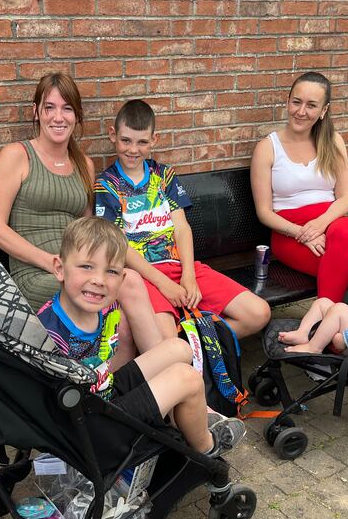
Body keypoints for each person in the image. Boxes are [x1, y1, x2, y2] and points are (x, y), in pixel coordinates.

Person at [0, 72, 161, 362]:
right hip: (35, 275)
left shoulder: (84, 164)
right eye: (49, 107)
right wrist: (49, 261)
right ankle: (165, 382)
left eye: (67, 108)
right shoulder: (17, 156)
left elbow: (89, 233)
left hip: (75, 270)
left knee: (124, 318)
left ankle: (120, 395)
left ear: (76, 116)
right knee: (128, 283)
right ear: (36, 112)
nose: (58, 117)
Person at [37, 216, 246, 456]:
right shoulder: (47, 333)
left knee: (178, 348)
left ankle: (182, 421)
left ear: (122, 278)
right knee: (185, 377)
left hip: (104, 393)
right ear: (59, 268)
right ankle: (207, 448)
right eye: (86, 266)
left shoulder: (105, 308)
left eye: (111, 271)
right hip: (90, 429)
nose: (98, 280)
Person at [95, 99, 271, 340]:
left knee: (258, 313)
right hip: (142, 276)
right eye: (126, 140)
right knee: (167, 341)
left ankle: (198, 349)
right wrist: (164, 284)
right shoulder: (107, 184)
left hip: (180, 267)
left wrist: (188, 275)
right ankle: (185, 353)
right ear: (112, 135)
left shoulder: (164, 175)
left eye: (142, 142)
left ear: (154, 140)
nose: (133, 149)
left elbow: (181, 228)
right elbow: (119, 245)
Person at [250, 71, 348, 302]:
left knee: (343, 232)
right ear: (287, 102)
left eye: (311, 105)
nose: (301, 111)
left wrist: (319, 225)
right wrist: (302, 233)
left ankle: (321, 326)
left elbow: (345, 197)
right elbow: (264, 213)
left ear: (324, 111)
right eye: (296, 102)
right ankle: (334, 328)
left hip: (333, 225)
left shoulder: (334, 142)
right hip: (289, 234)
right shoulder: (267, 147)